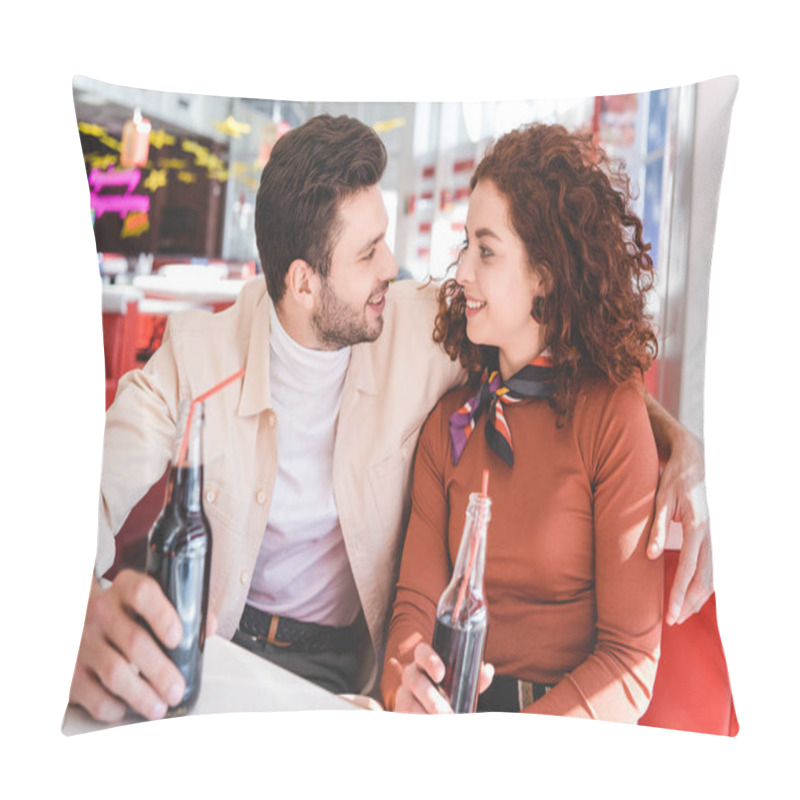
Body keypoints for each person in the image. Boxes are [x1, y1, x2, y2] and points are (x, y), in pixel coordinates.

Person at [68, 114, 711, 724]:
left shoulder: (416, 323)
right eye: (369, 250)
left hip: (339, 668)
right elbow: (89, 492)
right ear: (303, 283)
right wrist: (70, 615)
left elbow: (558, 357)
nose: (394, 269)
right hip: (218, 646)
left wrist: (673, 437)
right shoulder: (197, 357)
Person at [381, 123, 666, 721]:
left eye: (486, 251)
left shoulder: (611, 416)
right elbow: (412, 608)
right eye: (465, 247)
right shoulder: (448, 422)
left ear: (546, 273)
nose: (460, 272)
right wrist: (406, 683)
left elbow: (630, 660)